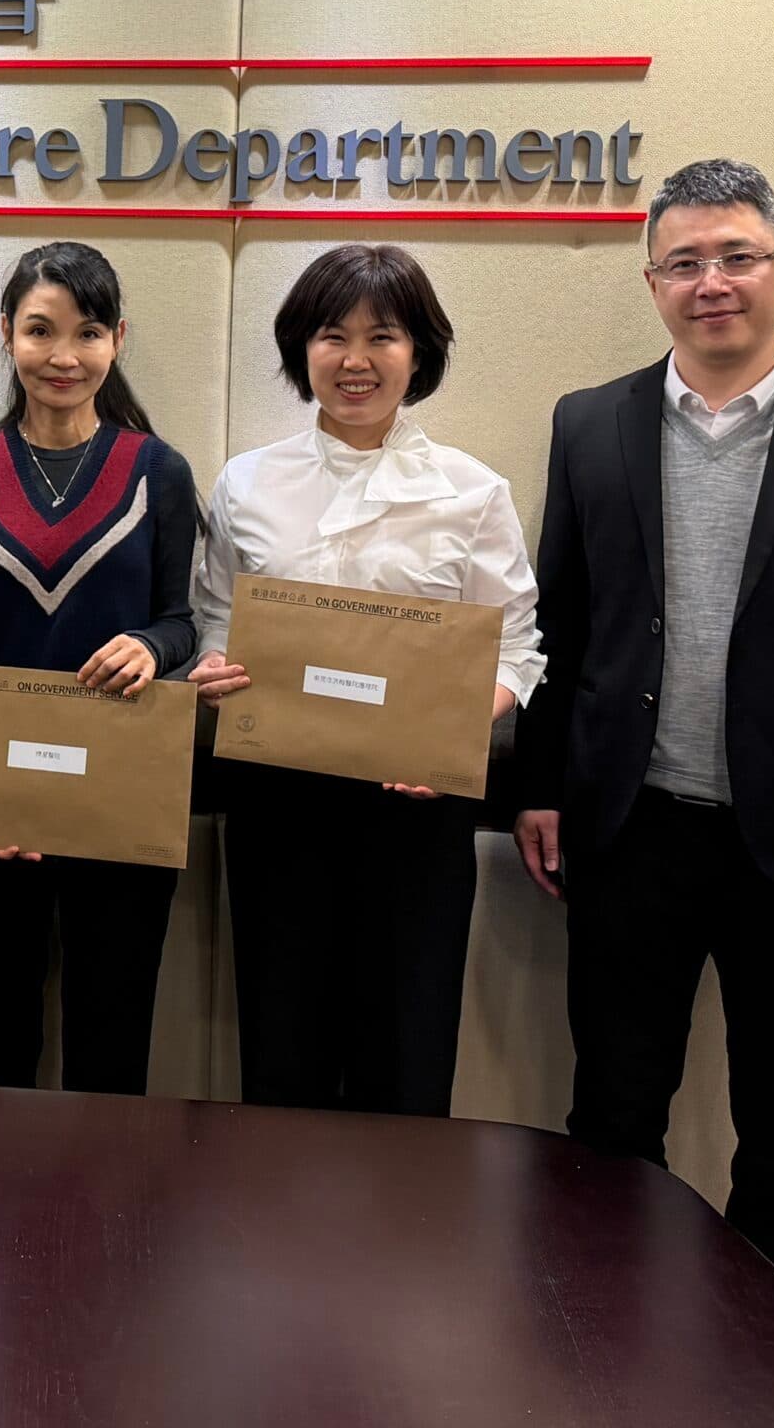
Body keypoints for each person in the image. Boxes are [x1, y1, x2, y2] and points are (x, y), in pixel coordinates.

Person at [515, 159, 774, 1297]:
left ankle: (769, 1372)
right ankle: (609, 1354)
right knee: (612, 1119)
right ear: (653, 282)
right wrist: (540, 786)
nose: (712, 282)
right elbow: (560, 625)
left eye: (737, 257)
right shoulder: (588, 423)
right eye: (685, 262)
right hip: (629, 832)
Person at [191, 245, 544, 1116]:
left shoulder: (472, 492)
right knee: (282, 1053)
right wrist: (213, 667)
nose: (356, 360)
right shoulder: (248, 482)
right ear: (301, 349)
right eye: (332, 335)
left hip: (416, 808)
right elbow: (215, 617)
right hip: (278, 801)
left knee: (405, 1057)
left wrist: (447, 734)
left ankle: (403, 1209)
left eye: (382, 336)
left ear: (418, 352)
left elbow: (516, 649)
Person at [0, 242, 198, 1095]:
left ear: (118, 340)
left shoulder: (160, 471)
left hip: (122, 792)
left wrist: (151, 647)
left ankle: (103, 1187)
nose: (63, 356)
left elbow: (181, 621)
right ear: (7, 333)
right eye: (41, 330)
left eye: (88, 333)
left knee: (113, 1035)